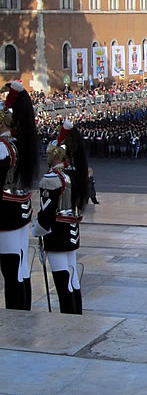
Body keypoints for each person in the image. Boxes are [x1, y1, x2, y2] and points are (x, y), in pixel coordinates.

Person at [33, 120, 89, 314]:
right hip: (71, 230)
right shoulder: (72, 175)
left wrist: (37, 228)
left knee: (62, 278)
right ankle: (76, 312)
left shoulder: (52, 178)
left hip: (56, 232)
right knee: (72, 277)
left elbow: (48, 211)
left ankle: (68, 315)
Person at [0, 82, 38, 311]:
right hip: (20, 209)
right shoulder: (18, 144)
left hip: (6, 214)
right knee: (21, 267)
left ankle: (16, 314)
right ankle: (24, 310)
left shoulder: (3, 148)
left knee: (11, 268)